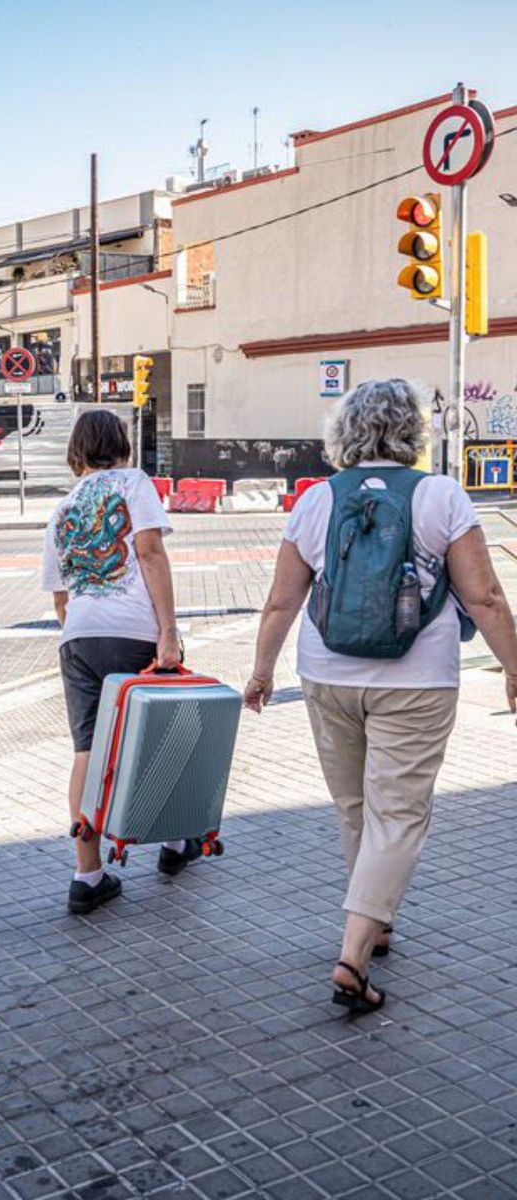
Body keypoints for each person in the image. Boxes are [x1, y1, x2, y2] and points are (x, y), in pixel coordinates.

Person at [244, 378, 517, 1014]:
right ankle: (354, 956)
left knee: (353, 807)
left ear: (345, 433)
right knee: (398, 813)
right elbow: (485, 598)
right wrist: (513, 666)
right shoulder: (440, 495)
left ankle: (377, 921)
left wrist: (261, 672)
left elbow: (283, 600)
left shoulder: (316, 499)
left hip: (328, 674)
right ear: (414, 433)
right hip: (417, 681)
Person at [42, 408, 192, 916]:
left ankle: (88, 874)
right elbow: (149, 552)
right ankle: (173, 846)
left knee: (88, 750)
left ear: (77, 450)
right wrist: (168, 631)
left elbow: (60, 599)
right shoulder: (134, 482)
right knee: (159, 738)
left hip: (78, 637)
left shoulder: (62, 508)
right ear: (122, 443)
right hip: (132, 632)